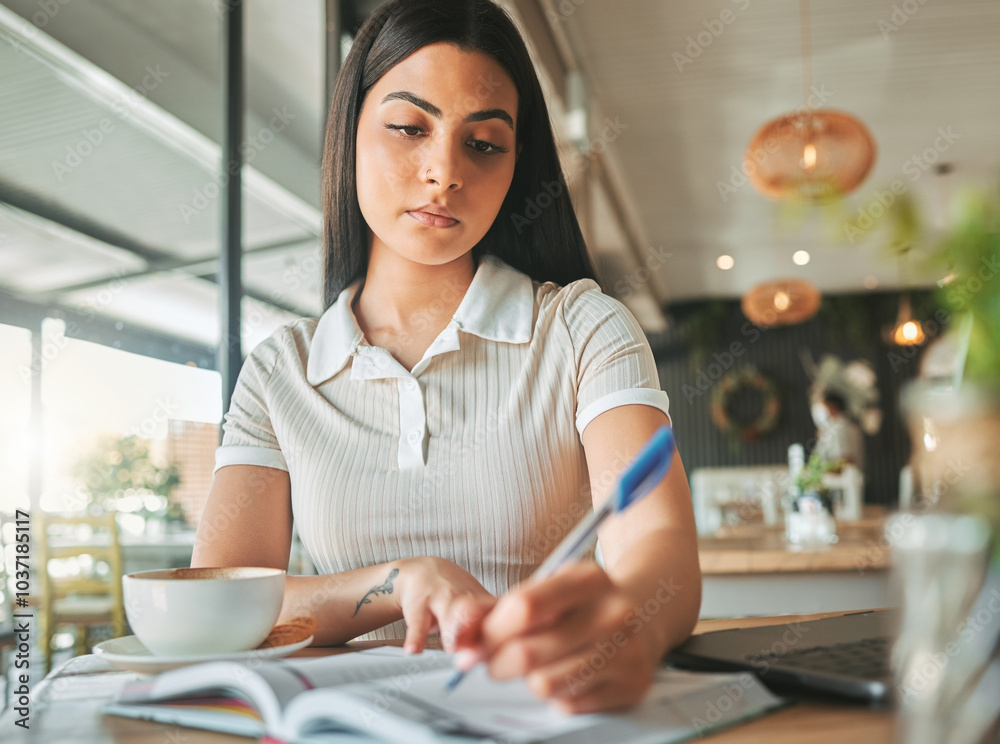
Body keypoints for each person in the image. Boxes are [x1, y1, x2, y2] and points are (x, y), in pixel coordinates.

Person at [192, 0, 701, 714]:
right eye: (408, 128)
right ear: (350, 134)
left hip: (541, 716)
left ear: (517, 164)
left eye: (484, 144)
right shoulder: (281, 371)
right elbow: (217, 603)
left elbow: (660, 549)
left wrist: (630, 636)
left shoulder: (584, 330)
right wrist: (399, 582)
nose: (443, 171)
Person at [812, 390, 865, 472]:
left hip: (841, 482)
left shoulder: (839, 428)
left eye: (822, 406)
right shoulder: (845, 425)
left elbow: (847, 460)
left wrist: (820, 471)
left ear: (831, 407)